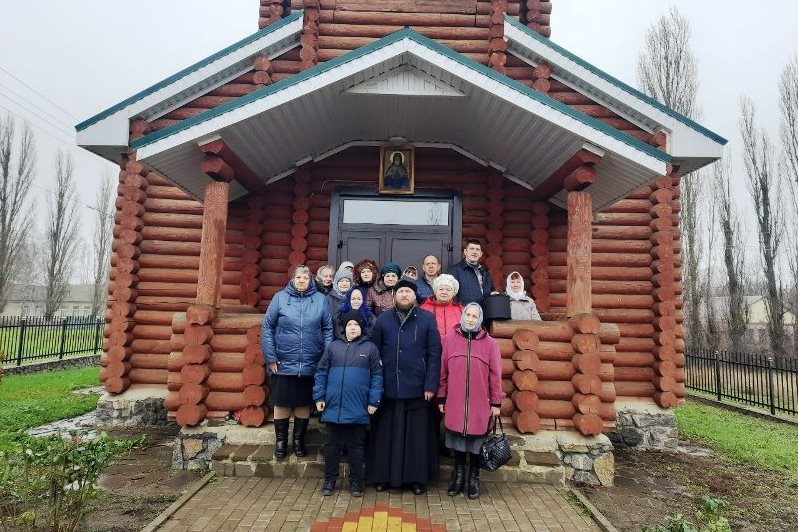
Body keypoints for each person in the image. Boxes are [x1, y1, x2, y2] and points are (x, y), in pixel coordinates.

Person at [367, 279, 442, 495]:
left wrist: (430, 384)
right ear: (395, 296)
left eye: (408, 291)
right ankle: (382, 477)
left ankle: (417, 479)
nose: (404, 294)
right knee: (384, 436)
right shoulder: (383, 320)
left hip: (418, 388)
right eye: (400, 291)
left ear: (414, 296)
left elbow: (434, 354)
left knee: (416, 437)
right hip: (389, 387)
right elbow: (376, 353)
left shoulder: (427, 320)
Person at [262, 265, 334, 459]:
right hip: (283, 361)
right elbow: (267, 326)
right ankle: (281, 442)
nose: (302, 280)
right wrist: (270, 356)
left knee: (303, 403)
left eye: (306, 278)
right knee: (282, 401)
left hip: (311, 362)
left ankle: (298, 440)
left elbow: (327, 328)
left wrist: (325, 356)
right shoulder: (280, 298)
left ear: (311, 280)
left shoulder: (320, 299)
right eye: (299, 277)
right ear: (292, 279)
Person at [438, 303, 504, 499]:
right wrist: (441, 396)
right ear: (462, 315)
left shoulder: (490, 344)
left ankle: (474, 478)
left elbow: (496, 375)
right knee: (457, 440)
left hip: (479, 402)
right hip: (455, 401)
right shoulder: (450, 339)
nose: (470, 319)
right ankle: (458, 477)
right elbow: (443, 371)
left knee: (476, 442)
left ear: (480, 319)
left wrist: (496, 402)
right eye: (468, 314)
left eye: (475, 316)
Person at [314, 310, 383, 498]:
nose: (353, 328)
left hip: (358, 408)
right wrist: (319, 397)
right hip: (333, 407)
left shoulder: (370, 349)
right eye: (350, 324)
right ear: (344, 327)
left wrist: (374, 401)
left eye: (357, 324)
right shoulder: (333, 347)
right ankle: (329, 479)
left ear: (362, 327)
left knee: (356, 448)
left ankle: (355, 481)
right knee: (332, 446)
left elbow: (377, 376)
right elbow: (321, 372)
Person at [448, 239, 495, 306]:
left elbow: (491, 291)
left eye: (477, 249)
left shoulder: (485, 272)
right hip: (465, 313)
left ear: (481, 254)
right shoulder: (454, 270)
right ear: (465, 252)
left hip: (484, 313)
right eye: (471, 249)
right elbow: (451, 296)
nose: (474, 252)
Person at [420, 274, 463, 339]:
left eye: (448, 289)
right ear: (435, 291)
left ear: (453, 293)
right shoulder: (423, 309)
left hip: (455, 348)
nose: (444, 292)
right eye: (441, 289)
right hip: (431, 348)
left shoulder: (461, 310)